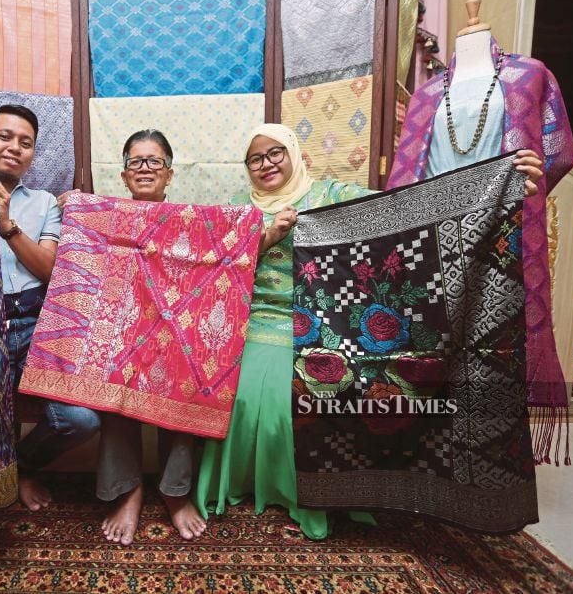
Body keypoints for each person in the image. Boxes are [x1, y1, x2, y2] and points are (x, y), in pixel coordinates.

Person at [193, 123, 544, 539]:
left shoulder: (330, 196)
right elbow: (214, 263)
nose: (266, 163)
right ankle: (241, 485)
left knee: (298, 392)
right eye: (256, 158)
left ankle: (310, 492)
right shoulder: (237, 207)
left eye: (275, 152)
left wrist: (495, 186)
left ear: (293, 153)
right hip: (253, 321)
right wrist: (265, 238)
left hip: (323, 323)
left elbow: (403, 210)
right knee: (241, 388)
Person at [57, 129, 207, 545]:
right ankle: (129, 489)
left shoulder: (190, 220)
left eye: (153, 161)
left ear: (169, 173)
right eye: (135, 162)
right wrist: (77, 204)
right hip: (121, 331)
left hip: (175, 333)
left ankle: (175, 492)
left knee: (186, 376)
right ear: (123, 176)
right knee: (113, 370)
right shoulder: (107, 213)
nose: (144, 169)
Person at [0, 105, 101, 512]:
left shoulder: (45, 204)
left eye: (25, 143)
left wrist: (8, 226)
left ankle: (22, 468)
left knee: (80, 420)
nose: (14, 148)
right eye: (5, 137)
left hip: (37, 323)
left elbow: (49, 269)